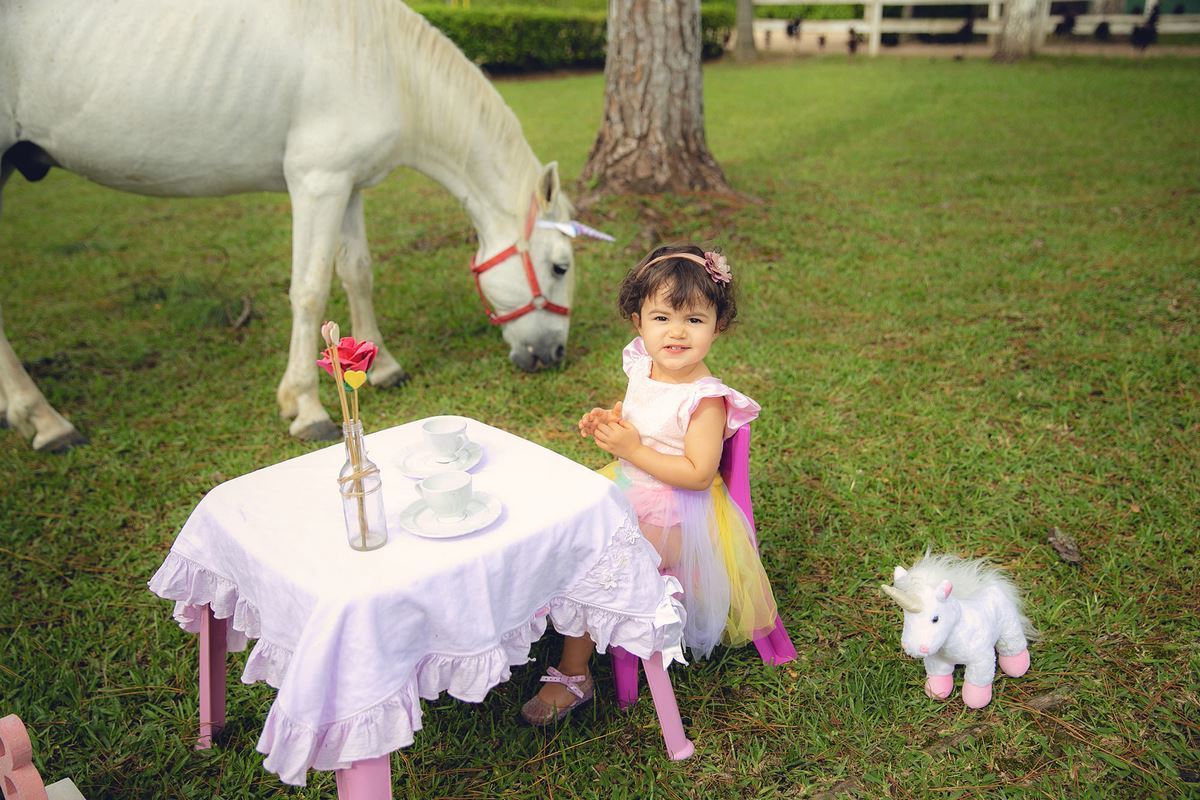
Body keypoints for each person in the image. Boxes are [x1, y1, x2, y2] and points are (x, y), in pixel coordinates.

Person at [520, 244, 781, 725]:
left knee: (599, 559)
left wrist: (632, 450)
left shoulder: (706, 400)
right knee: (560, 523)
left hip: (676, 507)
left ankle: (574, 671)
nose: (676, 332)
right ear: (637, 320)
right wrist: (615, 422)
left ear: (718, 325)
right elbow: (644, 421)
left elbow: (699, 475)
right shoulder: (643, 364)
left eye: (695, 321)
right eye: (661, 318)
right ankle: (545, 622)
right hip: (629, 482)